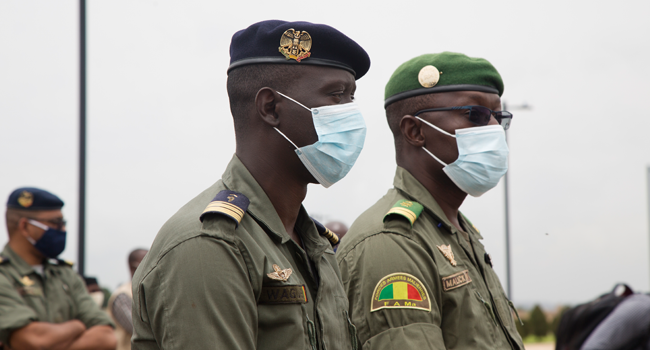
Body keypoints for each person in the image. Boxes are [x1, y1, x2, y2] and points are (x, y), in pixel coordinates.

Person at [131, 20, 370, 350]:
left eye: (351, 97)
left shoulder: (311, 243)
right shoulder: (211, 244)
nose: (351, 114)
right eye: (336, 95)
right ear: (271, 107)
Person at [336, 52, 525, 349]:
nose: (492, 128)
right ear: (415, 131)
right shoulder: (393, 241)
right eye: (475, 114)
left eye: (498, 117)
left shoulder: (456, 230)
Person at [0, 187, 116, 350]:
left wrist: (52, 342)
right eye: (56, 223)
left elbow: (106, 337)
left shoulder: (65, 275)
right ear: (25, 226)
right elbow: (31, 341)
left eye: (63, 223)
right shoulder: (3, 275)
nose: (62, 229)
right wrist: (77, 326)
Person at [107, 248, 147, 350]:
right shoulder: (122, 296)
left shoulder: (145, 292)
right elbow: (138, 329)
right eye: (146, 263)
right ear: (132, 267)